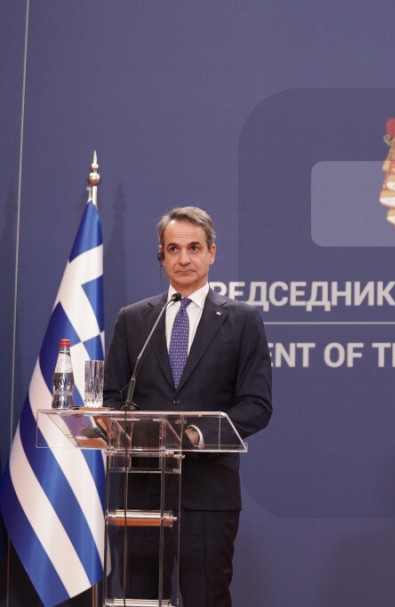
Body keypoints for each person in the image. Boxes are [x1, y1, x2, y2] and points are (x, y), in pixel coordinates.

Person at [104, 206, 272, 606]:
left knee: (206, 597)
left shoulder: (242, 320)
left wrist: (195, 435)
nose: (184, 258)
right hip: (140, 491)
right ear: (161, 256)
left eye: (194, 248)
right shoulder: (133, 320)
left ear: (212, 253)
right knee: (139, 599)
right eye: (173, 249)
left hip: (207, 494)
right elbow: (111, 398)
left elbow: (256, 404)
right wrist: (135, 432)